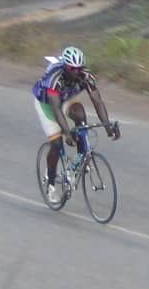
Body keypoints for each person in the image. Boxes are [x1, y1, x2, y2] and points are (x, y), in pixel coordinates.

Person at [32, 46, 119, 203]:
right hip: (48, 104)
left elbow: (97, 101)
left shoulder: (85, 76)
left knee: (80, 113)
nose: (76, 72)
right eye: (72, 68)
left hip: (66, 98)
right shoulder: (55, 79)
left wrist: (108, 127)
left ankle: (80, 156)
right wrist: (66, 133)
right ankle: (51, 184)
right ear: (66, 66)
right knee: (57, 144)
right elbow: (56, 110)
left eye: (79, 68)